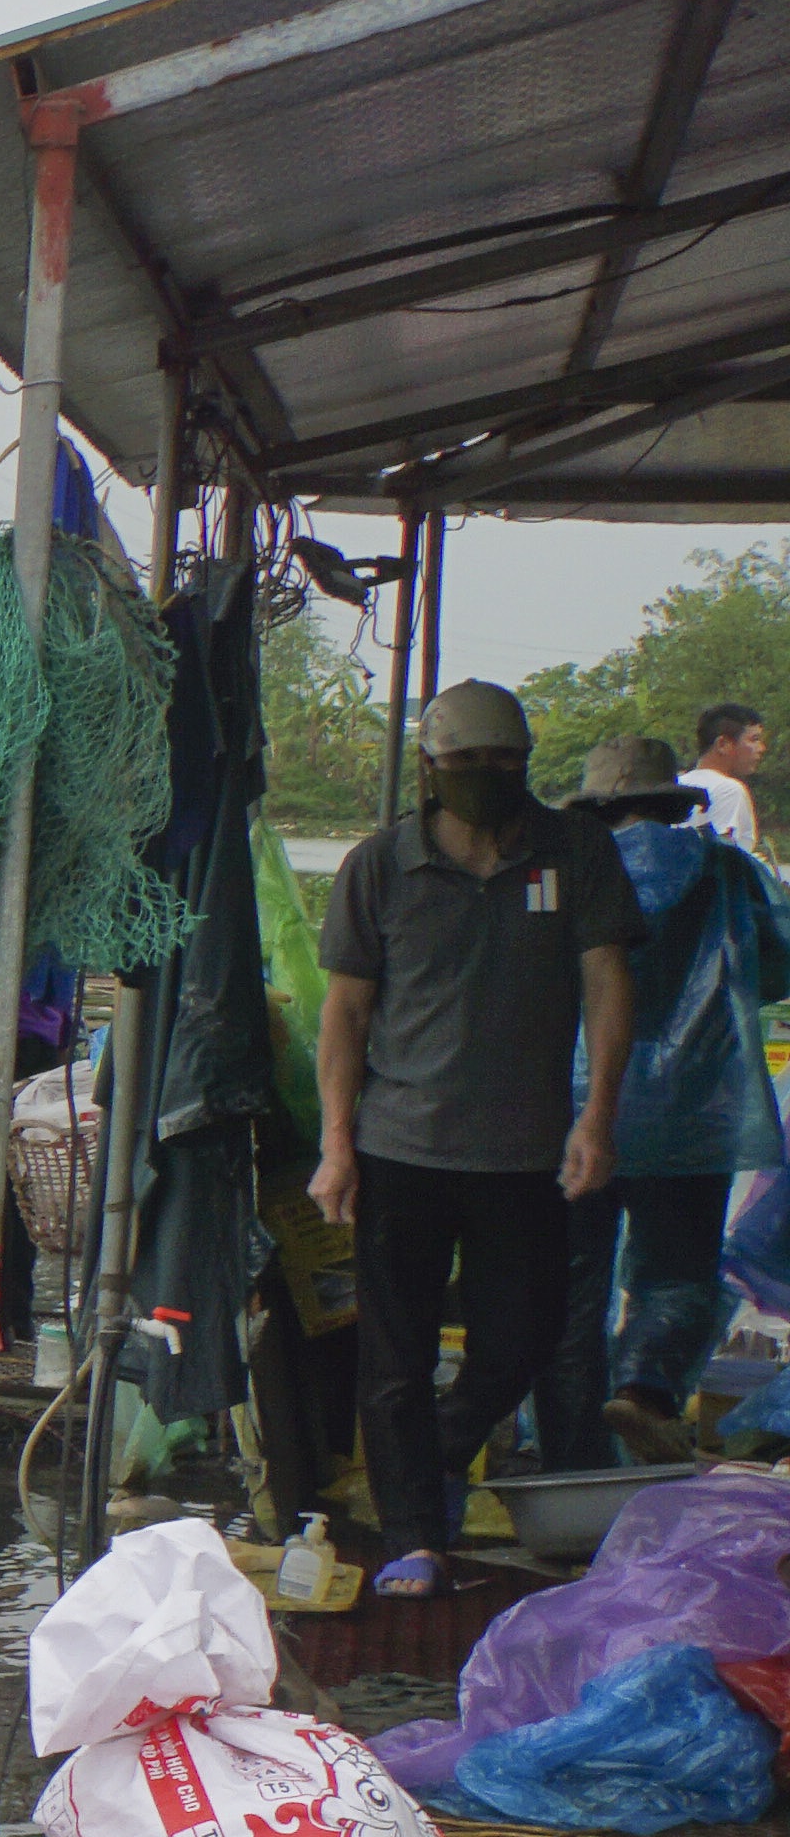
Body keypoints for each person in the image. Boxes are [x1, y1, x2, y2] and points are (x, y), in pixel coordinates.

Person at [314, 677, 641, 1593]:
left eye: (505, 760)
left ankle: (437, 1452)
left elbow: (609, 985)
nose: (488, 775)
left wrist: (598, 1115)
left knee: (526, 1338)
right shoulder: (381, 866)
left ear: (527, 762)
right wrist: (338, 1146)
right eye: (468, 762)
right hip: (398, 1148)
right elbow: (344, 1015)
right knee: (394, 1356)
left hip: (529, 1151)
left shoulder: (573, 852)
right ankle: (414, 1538)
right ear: (432, 766)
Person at [555, 734, 790, 1463]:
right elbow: (779, 969)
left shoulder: (563, 873)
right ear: (672, 802)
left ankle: (567, 1445)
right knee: (676, 1272)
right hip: (695, 1114)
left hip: (577, 1107)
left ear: (598, 809)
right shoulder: (728, 871)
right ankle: (646, 1391)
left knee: (574, 1279)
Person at [695, 701, 767, 852]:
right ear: (723, 744)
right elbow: (721, 860)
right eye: (754, 739)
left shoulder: (676, 783)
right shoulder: (728, 790)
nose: (761, 748)